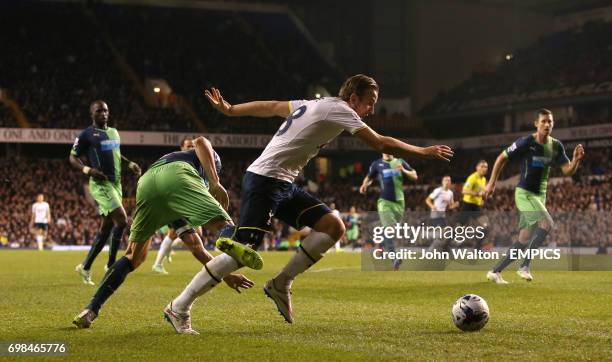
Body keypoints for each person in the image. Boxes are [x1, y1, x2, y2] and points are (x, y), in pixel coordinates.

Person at [199, 74, 453, 324]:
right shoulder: (341, 110)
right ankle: (181, 305)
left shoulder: (313, 104)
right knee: (243, 252)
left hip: (282, 182)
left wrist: (232, 110)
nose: (372, 109)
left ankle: (281, 282)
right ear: (353, 98)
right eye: (369, 102)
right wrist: (423, 151)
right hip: (265, 180)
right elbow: (380, 143)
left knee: (333, 225)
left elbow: (273, 106)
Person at [73, 136, 261, 332]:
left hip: (147, 184)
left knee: (133, 257)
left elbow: (198, 249)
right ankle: (231, 238)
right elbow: (202, 141)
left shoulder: (175, 159)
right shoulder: (200, 167)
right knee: (225, 227)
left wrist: (225, 275)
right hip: (178, 177)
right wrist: (214, 182)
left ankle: (90, 309)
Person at [485, 109, 584, 284]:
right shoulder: (526, 143)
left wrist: (575, 160)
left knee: (523, 239)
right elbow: (502, 157)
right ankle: (524, 266)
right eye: (544, 121)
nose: (547, 124)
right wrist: (492, 182)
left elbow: (567, 171)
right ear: (536, 124)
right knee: (547, 223)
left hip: (540, 195)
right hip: (524, 193)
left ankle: (495, 271)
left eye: (550, 122)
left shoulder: (556, 146)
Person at [70, 100, 142, 285]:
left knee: (106, 229)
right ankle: (111, 265)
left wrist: (130, 164)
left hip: (116, 184)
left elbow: (117, 154)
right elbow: (72, 157)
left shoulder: (114, 132)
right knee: (122, 220)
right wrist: (88, 170)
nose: (103, 113)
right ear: (92, 114)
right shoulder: (87, 134)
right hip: (101, 183)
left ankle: (84, 267)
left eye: (105, 110)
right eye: (99, 111)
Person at [151, 137, 204, 275]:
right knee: (194, 233)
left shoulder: (195, 162)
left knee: (175, 234)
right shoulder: (177, 160)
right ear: (181, 148)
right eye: (188, 146)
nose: (191, 148)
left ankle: (160, 261)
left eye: (193, 146)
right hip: (175, 202)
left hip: (185, 202)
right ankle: (159, 262)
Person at [360, 153, 417, 269]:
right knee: (390, 230)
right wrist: (364, 185)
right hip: (385, 202)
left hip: (400, 202)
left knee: (391, 231)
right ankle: (394, 258)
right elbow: (369, 177)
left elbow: (414, 176)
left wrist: (404, 171)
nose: (387, 151)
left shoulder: (400, 161)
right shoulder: (377, 164)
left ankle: (380, 246)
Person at [458, 160, 489, 249]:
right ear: (477, 168)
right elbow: (464, 190)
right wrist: (477, 194)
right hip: (467, 206)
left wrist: (482, 199)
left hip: (476, 207)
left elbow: (482, 193)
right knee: (458, 229)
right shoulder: (472, 177)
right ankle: (444, 246)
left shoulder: (483, 179)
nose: (484, 168)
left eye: (486, 167)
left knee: (486, 227)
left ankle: (477, 248)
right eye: (482, 166)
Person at [425, 176, 459, 252]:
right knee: (446, 232)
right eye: (445, 180)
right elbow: (427, 200)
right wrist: (432, 206)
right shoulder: (438, 191)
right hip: (435, 215)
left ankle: (443, 248)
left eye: (449, 180)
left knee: (449, 233)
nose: (447, 182)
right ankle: (432, 250)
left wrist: (455, 205)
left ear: (450, 183)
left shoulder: (450, 193)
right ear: (442, 182)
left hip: (443, 216)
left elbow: (450, 206)